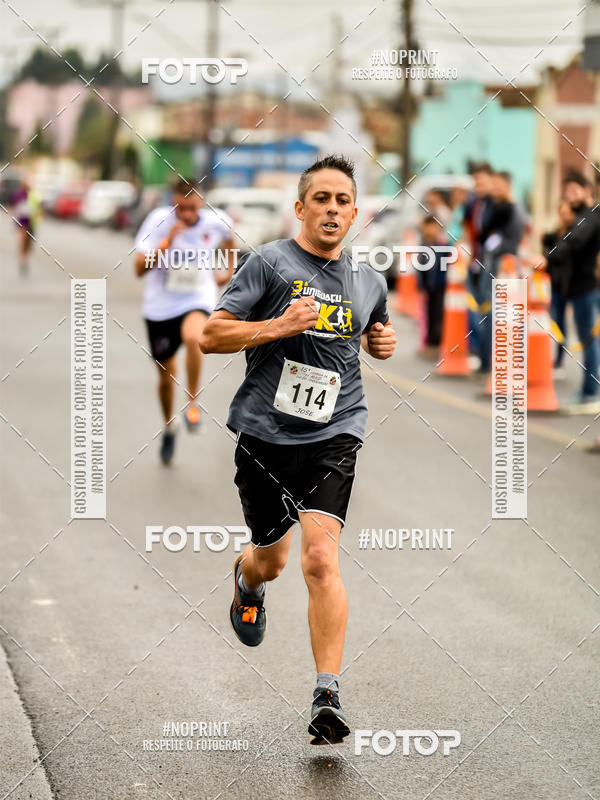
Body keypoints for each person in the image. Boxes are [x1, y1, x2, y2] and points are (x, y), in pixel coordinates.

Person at [199, 155, 396, 745]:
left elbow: (376, 330)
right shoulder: (270, 263)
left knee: (318, 559)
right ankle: (246, 577)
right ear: (301, 208)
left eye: (343, 200)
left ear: (355, 212)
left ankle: (326, 695)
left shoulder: (369, 281)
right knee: (274, 560)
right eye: (322, 199)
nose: (333, 209)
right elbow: (212, 334)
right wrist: (278, 327)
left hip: (336, 432)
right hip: (264, 434)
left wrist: (381, 342)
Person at [134, 177, 236, 463]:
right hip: (160, 307)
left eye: (192, 208)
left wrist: (228, 271)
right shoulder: (158, 221)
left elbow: (229, 240)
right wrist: (167, 241)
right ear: (172, 203)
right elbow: (139, 269)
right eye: (181, 209)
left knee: (195, 337)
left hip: (196, 297)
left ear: (201, 202)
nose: (187, 215)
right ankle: (169, 425)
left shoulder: (216, 221)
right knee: (166, 379)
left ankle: (193, 404)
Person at [546, 171, 600, 412]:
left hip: (585, 287)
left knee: (589, 341)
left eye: (574, 191)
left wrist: (547, 256)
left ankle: (590, 392)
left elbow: (572, 243)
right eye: (566, 193)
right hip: (580, 288)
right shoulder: (584, 217)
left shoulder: (589, 217)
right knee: (589, 340)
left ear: (588, 190)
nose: (570, 197)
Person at [462, 163, 495, 368]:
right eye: (476, 181)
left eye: (482, 181)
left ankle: (487, 360)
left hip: (490, 263)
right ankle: (478, 352)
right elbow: (467, 229)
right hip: (474, 262)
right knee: (473, 310)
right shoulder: (472, 203)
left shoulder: (496, 205)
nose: (478, 185)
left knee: (488, 312)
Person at [542, 200, 575, 371]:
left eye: (566, 213)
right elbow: (547, 250)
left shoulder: (576, 232)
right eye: (561, 213)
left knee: (582, 324)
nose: (563, 217)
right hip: (556, 282)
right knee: (558, 320)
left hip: (571, 283)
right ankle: (559, 357)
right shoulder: (555, 233)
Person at [417, 216, 447, 355]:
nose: (430, 230)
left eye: (433, 227)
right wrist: (421, 285)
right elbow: (421, 267)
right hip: (429, 286)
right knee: (429, 314)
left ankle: (437, 342)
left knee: (438, 314)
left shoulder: (444, 245)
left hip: (441, 286)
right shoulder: (423, 245)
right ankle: (429, 342)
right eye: (427, 227)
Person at [11, 179, 41, 274]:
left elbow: (38, 207)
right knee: (23, 242)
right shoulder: (19, 195)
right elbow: (15, 208)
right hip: (22, 223)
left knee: (28, 244)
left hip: (31, 223)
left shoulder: (33, 195)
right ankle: (23, 260)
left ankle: (24, 259)